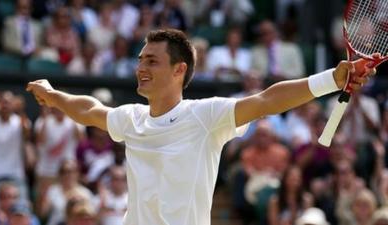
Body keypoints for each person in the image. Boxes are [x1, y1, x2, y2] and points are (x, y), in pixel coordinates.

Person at [26, 29, 375, 225]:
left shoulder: (206, 117)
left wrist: (332, 78)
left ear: (179, 70)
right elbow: (89, 109)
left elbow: (267, 100)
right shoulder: (130, 118)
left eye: (152, 61)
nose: (141, 68)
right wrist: (53, 95)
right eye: (140, 60)